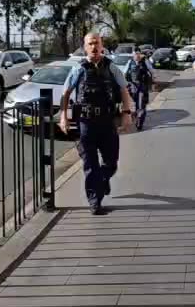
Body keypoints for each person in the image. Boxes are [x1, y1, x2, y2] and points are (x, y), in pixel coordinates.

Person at [60, 33, 133, 214]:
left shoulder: (111, 67)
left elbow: (124, 90)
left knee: (112, 163)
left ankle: (102, 179)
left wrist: (126, 113)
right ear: (85, 47)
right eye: (90, 44)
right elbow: (66, 93)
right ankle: (95, 202)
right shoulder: (79, 69)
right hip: (86, 123)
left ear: (102, 45)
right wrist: (63, 116)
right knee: (90, 165)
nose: (93, 47)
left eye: (96, 43)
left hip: (107, 123)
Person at [125, 48, 153, 130]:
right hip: (133, 87)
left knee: (141, 106)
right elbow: (125, 73)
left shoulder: (145, 62)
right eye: (135, 54)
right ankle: (138, 119)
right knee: (136, 106)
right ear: (133, 55)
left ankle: (139, 123)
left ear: (140, 54)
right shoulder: (130, 62)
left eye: (138, 54)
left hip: (143, 87)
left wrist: (152, 83)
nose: (137, 55)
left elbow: (151, 72)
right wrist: (126, 85)